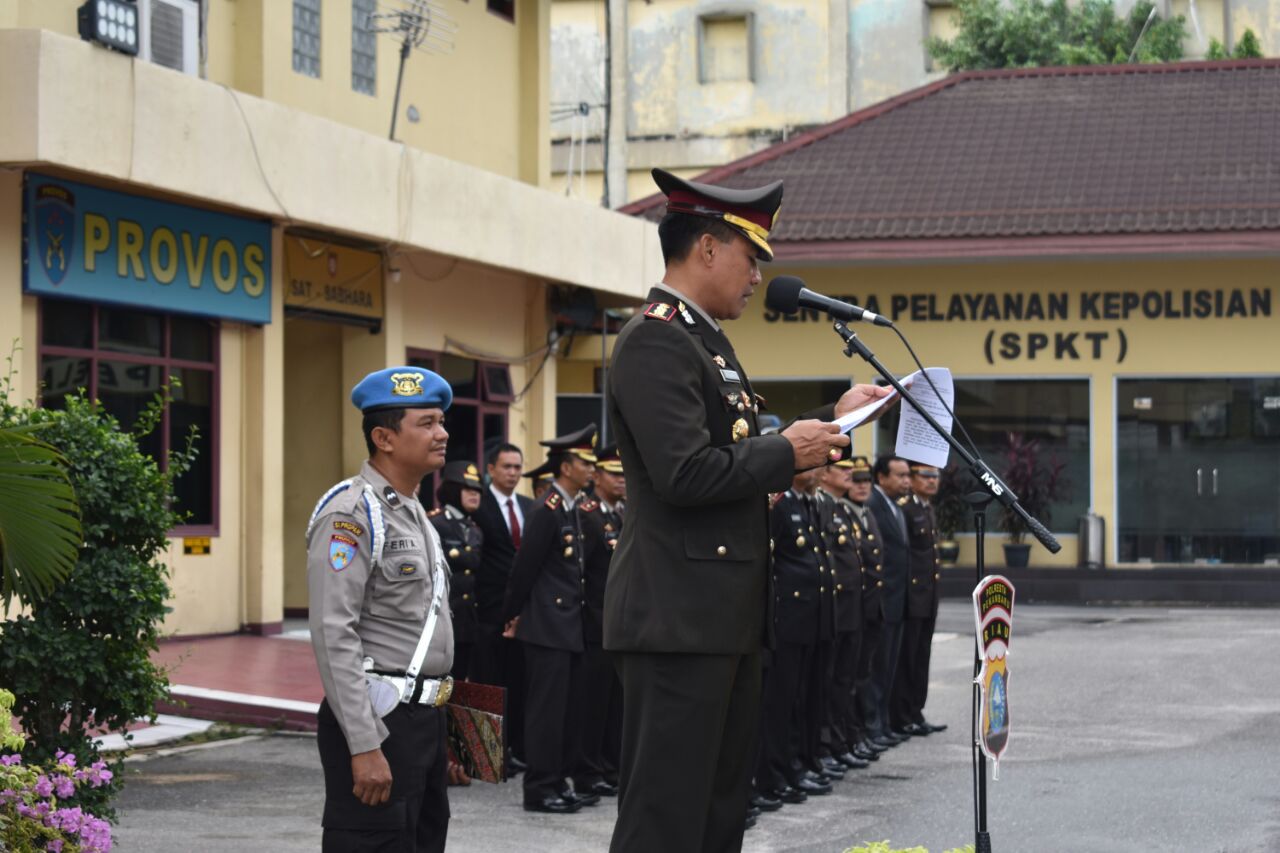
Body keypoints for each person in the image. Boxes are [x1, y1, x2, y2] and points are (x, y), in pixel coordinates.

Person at [604, 168, 893, 853]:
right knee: (665, 821)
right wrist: (788, 450)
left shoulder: (703, 340)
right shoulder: (655, 339)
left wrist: (830, 419)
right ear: (707, 249)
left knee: (718, 815)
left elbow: (737, 451)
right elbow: (684, 473)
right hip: (677, 621)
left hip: (718, 619)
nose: (759, 274)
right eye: (750, 255)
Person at [307, 365, 455, 853]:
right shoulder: (351, 513)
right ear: (383, 438)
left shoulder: (413, 512)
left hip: (423, 721)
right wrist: (364, 744)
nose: (442, 433)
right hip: (379, 721)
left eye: (441, 421)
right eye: (427, 422)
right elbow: (334, 632)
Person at [502, 425, 600, 814]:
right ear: (565, 466)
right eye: (584, 463)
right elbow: (524, 569)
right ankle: (540, 787)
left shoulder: (573, 507)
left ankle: (558, 780)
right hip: (546, 627)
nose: (591, 470)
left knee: (566, 713)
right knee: (546, 714)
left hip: (568, 626)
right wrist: (511, 615)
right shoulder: (546, 509)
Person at [755, 469, 834, 806]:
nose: (821, 471)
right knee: (780, 703)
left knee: (802, 699)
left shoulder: (809, 503)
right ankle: (773, 775)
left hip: (809, 619)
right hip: (788, 619)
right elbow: (769, 561)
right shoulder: (780, 504)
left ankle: (794, 766)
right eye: (814, 464)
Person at [471, 442, 534, 772]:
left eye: (517, 467)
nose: (513, 473)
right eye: (506, 466)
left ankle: (510, 751)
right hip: (486, 610)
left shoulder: (529, 506)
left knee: (516, 682)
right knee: (486, 681)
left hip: (520, 613)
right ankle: (484, 756)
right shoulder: (478, 505)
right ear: (491, 469)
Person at [573, 443, 626, 798]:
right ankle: (587, 771)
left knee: (613, 705)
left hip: (617, 625)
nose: (621, 480)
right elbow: (579, 574)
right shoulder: (588, 515)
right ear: (596, 476)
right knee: (591, 706)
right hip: (593, 623)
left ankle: (608, 766)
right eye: (613, 473)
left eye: (624, 474)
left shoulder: (617, 515)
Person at [816, 458, 870, 771]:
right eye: (843, 469)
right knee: (829, 683)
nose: (850, 474)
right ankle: (825, 747)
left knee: (845, 682)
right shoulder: (824, 506)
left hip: (851, 610)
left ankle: (837, 743)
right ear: (824, 473)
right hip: (833, 610)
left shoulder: (838, 507)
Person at [890, 464, 948, 737]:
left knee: (922, 657)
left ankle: (916, 711)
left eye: (935, 476)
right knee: (908, 658)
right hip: (913, 597)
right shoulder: (906, 508)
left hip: (928, 596)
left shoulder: (926, 508)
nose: (932, 481)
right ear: (912, 480)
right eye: (925, 476)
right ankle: (902, 715)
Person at [865, 454, 913, 749]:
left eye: (908, 475)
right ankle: (872, 727)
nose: (906, 481)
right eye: (900, 475)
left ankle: (883, 724)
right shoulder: (873, 505)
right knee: (876, 670)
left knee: (889, 669)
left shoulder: (896, 507)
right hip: (882, 602)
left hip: (899, 602)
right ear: (881, 477)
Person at [428, 460, 485, 682]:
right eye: (468, 489)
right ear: (452, 490)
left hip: (467, 622)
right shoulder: (436, 523)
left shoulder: (475, 530)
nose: (475, 495)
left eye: (478, 491)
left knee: (460, 683)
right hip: (443, 618)